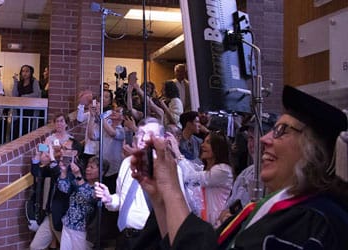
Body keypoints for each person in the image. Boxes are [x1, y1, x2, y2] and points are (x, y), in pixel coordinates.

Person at [133, 85, 348, 249]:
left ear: (313, 150)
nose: (265, 139)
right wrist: (161, 197)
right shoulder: (271, 208)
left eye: (281, 130)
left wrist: (171, 189)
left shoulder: (314, 222)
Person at [94, 118, 163, 250]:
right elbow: (122, 199)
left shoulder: (168, 169)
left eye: (151, 134)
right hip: (124, 237)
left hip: (151, 239)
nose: (144, 138)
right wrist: (109, 199)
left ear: (161, 139)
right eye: (141, 133)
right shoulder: (126, 164)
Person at [30, 113, 78, 250]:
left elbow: (66, 159)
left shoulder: (71, 141)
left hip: (64, 210)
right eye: (57, 121)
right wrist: (47, 155)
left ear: (66, 123)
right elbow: (42, 162)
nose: (59, 124)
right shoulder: (49, 139)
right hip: (51, 178)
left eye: (62, 121)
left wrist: (55, 155)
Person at [57, 154, 99, 250]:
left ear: (101, 171)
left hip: (82, 230)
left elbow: (88, 196)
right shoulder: (80, 181)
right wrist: (63, 171)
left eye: (92, 167)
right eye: (87, 166)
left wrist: (78, 175)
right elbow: (64, 188)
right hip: (67, 224)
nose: (88, 169)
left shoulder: (99, 188)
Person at [12, 65, 41, 137]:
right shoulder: (19, 83)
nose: (24, 73)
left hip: (30, 110)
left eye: (27, 71)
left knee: (28, 131)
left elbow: (37, 94)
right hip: (19, 110)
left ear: (31, 73)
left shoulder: (34, 81)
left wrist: (24, 97)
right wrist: (15, 82)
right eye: (23, 71)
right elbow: (14, 95)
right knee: (17, 130)